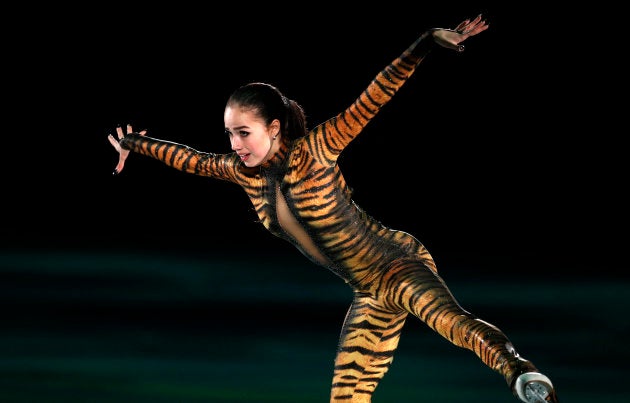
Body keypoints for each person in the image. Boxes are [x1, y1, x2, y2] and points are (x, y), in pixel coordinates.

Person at [107, 15, 558, 403]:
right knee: (345, 394)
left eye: (244, 133)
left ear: (274, 127)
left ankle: (523, 375)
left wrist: (424, 44)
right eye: (229, 134)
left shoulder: (318, 149)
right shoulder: (239, 171)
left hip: (395, 262)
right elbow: (185, 157)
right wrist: (132, 143)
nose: (235, 145)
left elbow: (374, 97)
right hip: (367, 292)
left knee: (448, 321)